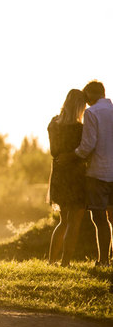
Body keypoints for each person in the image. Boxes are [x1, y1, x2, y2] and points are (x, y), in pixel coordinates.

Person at [70, 80, 113, 267]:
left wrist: (74, 155)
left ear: (91, 95)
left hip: (97, 173)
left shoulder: (91, 112)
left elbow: (88, 144)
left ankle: (103, 260)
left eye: (86, 98)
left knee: (100, 219)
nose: (86, 102)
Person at [47, 89, 87, 266]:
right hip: (76, 174)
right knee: (75, 220)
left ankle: (52, 260)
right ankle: (65, 262)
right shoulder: (80, 129)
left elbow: (53, 151)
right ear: (80, 107)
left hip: (59, 174)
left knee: (63, 221)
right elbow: (85, 152)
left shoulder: (53, 124)